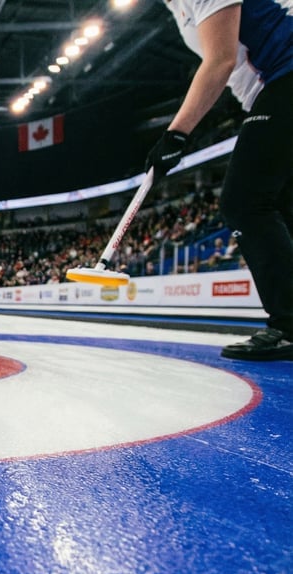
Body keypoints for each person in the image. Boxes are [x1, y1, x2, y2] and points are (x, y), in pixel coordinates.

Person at [146, 0, 292, 360]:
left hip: (286, 75)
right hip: (273, 86)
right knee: (284, 206)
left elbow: (221, 60)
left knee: (244, 202)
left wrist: (176, 135)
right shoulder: (178, 7)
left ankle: (289, 326)